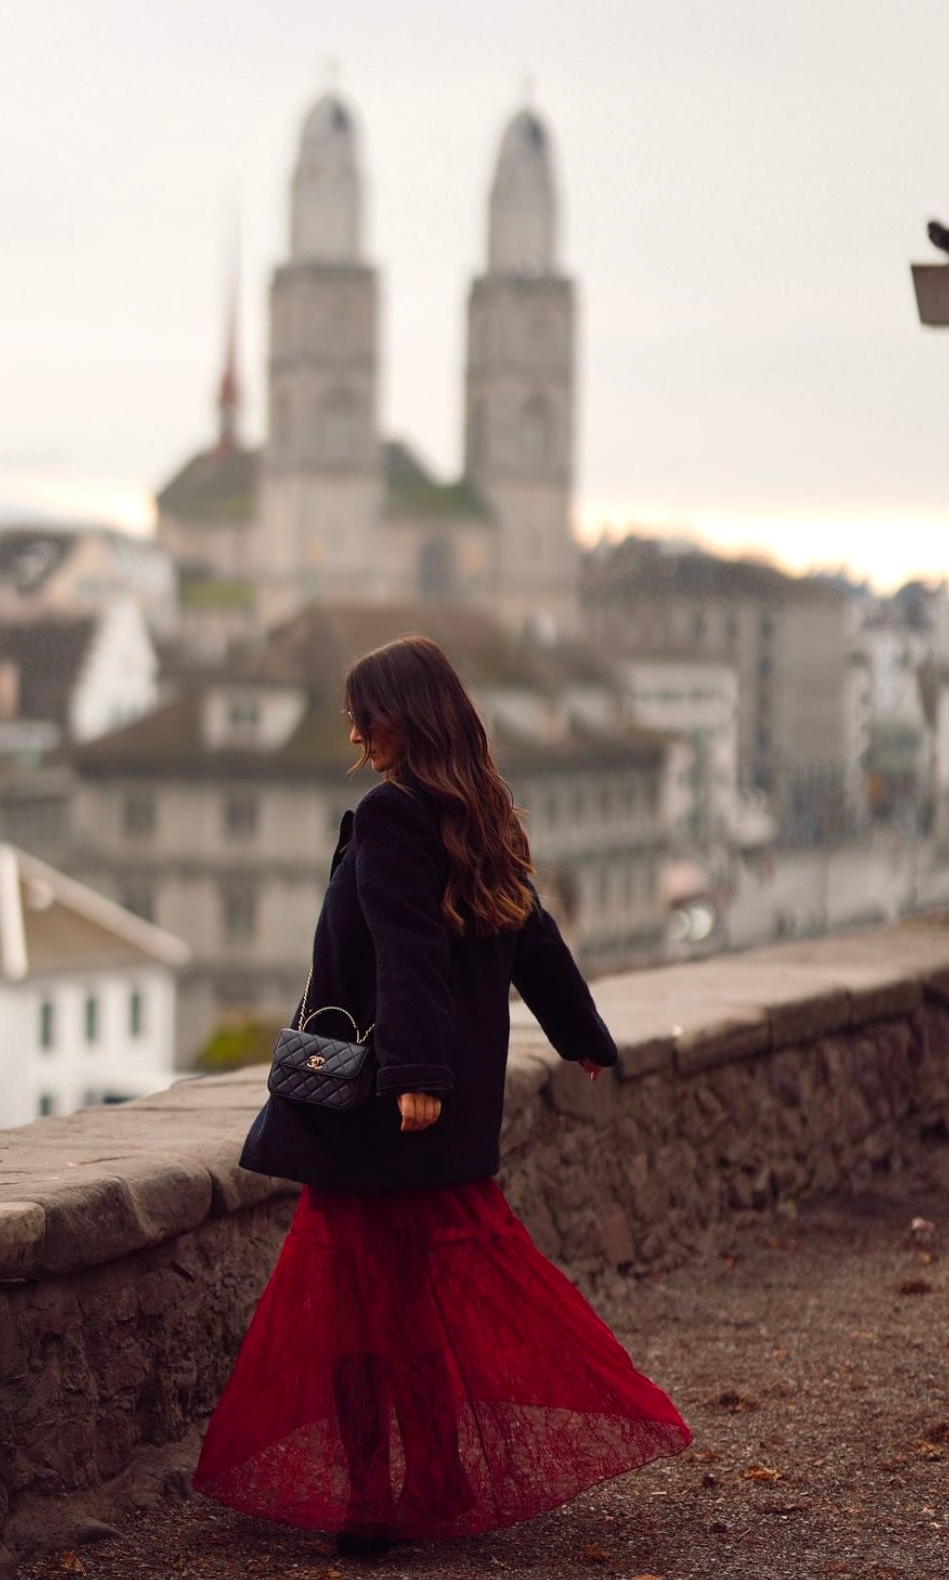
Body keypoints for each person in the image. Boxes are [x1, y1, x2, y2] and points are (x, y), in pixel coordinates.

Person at [193, 635, 691, 1556]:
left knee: (357, 1313)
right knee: (412, 1307)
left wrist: (413, 1078)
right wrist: (581, 1036)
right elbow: (533, 941)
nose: (353, 732)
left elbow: (404, 948)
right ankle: (435, 1478)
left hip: (382, 1106)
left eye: (364, 714)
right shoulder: (480, 813)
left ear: (404, 718)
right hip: (443, 1101)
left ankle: (374, 1502)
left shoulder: (391, 817)